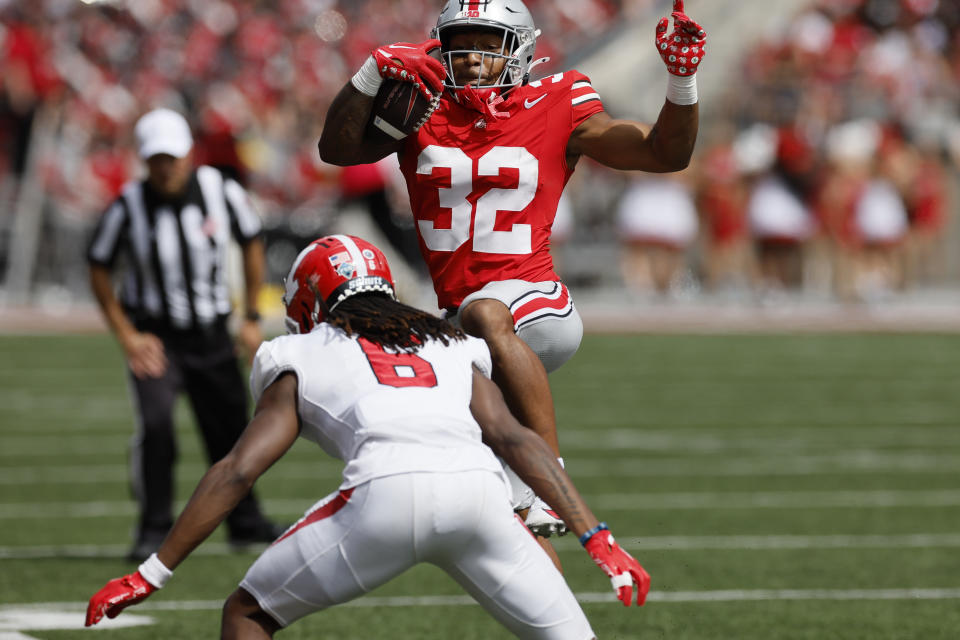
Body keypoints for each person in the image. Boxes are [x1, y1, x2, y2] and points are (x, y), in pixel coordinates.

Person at [85, 234, 651, 640]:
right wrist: (595, 536)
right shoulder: (448, 344)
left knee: (248, 614)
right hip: (478, 498)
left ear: (311, 297)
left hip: (383, 496)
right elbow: (515, 439)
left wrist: (151, 572)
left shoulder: (299, 351)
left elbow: (239, 468)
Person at [318, 0, 705, 536]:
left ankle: (554, 479)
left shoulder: (559, 98)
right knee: (497, 514)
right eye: (461, 41)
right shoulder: (422, 104)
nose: (472, 56)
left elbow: (664, 154)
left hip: (535, 300)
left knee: (487, 312)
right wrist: (369, 72)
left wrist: (681, 81)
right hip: (460, 326)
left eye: (488, 42)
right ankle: (558, 602)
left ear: (520, 48)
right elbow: (337, 150)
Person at [87, 107, 282, 562]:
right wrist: (127, 335)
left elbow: (252, 240)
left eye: (172, 157)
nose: (165, 167)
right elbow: (98, 266)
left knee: (232, 431)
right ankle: (153, 529)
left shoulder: (221, 191)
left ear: (189, 156)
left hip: (213, 334)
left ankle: (245, 521)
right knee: (157, 428)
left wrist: (251, 314)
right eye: (156, 159)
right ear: (143, 159)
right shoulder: (128, 205)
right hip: (158, 338)